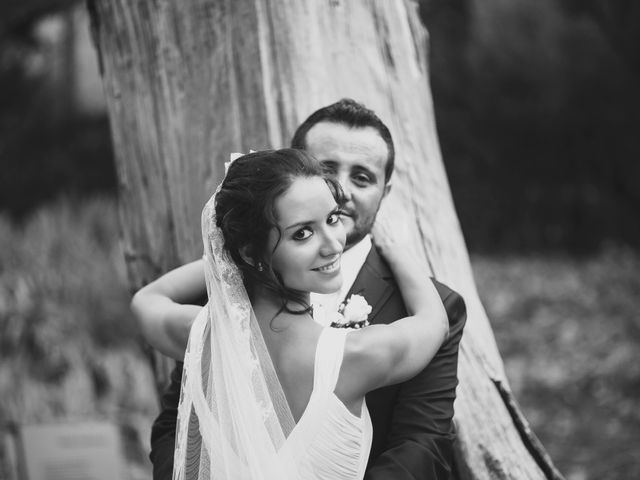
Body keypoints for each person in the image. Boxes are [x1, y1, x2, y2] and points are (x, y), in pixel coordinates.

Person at [133, 99, 467, 479]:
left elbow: (422, 445)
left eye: (361, 177)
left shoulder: (205, 328)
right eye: (303, 232)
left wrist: (230, 253)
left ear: (385, 192)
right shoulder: (359, 353)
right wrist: (400, 248)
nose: (341, 191)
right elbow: (172, 428)